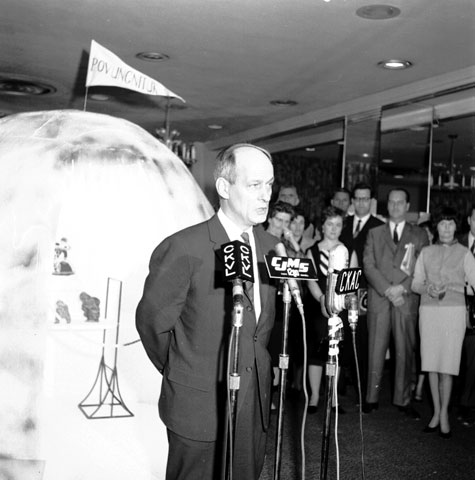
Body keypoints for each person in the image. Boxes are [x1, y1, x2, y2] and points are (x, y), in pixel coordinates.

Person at [136, 143, 279, 480]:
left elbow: (262, 329)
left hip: (252, 403)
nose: (265, 196)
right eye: (255, 185)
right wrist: (186, 368)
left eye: (270, 184)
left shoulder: (273, 249)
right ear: (224, 188)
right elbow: (153, 324)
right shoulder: (185, 247)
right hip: (199, 403)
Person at [363, 188, 429, 418]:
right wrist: (387, 289)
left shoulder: (419, 234)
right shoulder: (374, 233)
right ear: (386, 205)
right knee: (375, 348)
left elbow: (422, 267)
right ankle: (371, 397)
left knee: (404, 351)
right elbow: (368, 265)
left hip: (405, 299)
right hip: (380, 298)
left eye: (400, 202)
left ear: (407, 206)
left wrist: (401, 288)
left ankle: (403, 399)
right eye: (391, 202)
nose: (395, 206)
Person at [411, 206, 475, 438]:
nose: (446, 228)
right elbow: (415, 284)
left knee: (446, 367)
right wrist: (426, 287)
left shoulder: (465, 254)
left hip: (453, 313)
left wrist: (454, 286)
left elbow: (474, 284)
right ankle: (436, 413)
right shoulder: (426, 252)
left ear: (457, 226)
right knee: (430, 365)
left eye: (450, 223)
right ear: (435, 227)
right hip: (428, 311)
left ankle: (445, 415)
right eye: (442, 223)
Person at [339, 183, 384, 402]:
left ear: (371, 201)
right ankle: (340, 387)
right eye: (357, 198)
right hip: (343, 291)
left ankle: (364, 393)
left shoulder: (379, 226)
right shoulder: (344, 224)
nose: (361, 202)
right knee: (343, 336)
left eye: (365, 199)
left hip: (367, 291)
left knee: (364, 339)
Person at [305, 206, 352, 413]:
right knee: (317, 352)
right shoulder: (312, 251)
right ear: (322, 226)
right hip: (318, 306)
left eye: (338, 224)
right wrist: (323, 299)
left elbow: (352, 281)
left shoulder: (348, 250)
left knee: (337, 352)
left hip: (340, 308)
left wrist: (344, 303)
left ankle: (333, 397)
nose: (333, 228)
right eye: (329, 224)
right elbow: (311, 281)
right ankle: (315, 395)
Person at [412, 220, 436, 402]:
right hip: (416, 303)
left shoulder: (436, 252)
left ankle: (420, 385)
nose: (425, 237)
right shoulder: (416, 253)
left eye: (428, 233)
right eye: (422, 233)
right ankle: (417, 383)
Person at [456, 204, 475, 426]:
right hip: (452, 306)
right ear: (469, 220)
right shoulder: (456, 242)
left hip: (474, 312)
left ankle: (466, 404)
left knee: (472, 358)